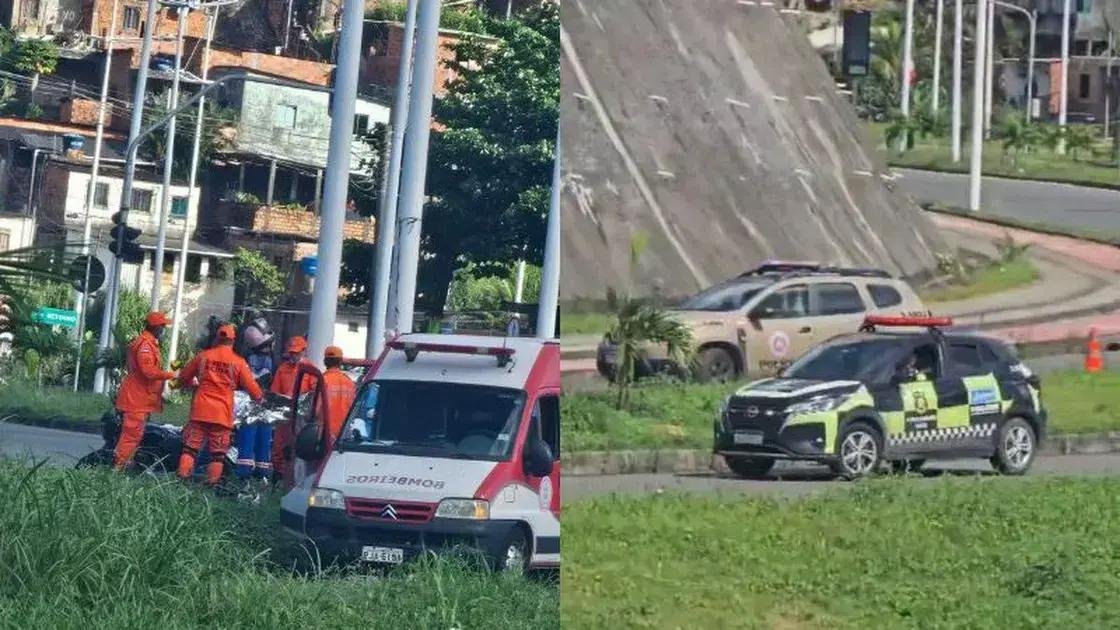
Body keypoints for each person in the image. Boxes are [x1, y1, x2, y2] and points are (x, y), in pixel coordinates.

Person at [175, 324, 264, 486]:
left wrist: (189, 384)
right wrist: (260, 398)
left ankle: (181, 479)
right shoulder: (238, 362)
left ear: (217, 338)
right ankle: (211, 484)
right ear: (233, 341)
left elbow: (182, 378)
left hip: (200, 411)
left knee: (190, 448)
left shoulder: (202, 356)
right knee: (217, 455)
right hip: (222, 414)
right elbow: (253, 390)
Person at [113, 312, 178, 471]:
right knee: (131, 436)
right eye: (163, 326)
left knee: (135, 435)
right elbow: (148, 371)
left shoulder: (150, 343)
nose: (164, 329)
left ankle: (125, 465)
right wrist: (171, 375)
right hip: (136, 399)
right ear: (156, 327)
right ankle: (118, 468)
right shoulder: (145, 345)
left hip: (140, 398)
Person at [270, 335, 315, 486]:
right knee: (279, 446)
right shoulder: (283, 369)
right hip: (284, 414)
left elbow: (314, 392)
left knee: (298, 447)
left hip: (301, 416)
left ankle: (297, 480)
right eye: (292, 353)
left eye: (296, 352)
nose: (293, 355)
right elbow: (275, 392)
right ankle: (279, 477)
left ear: (303, 351)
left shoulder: (310, 369)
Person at [235, 339, 276, 482]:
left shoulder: (246, 358)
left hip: (250, 402)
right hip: (263, 403)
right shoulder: (272, 360)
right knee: (261, 439)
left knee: (249, 437)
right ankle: (260, 473)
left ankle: (246, 473)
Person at [320, 346, 357, 454]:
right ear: (340, 362)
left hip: (324, 435)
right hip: (344, 436)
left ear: (325, 361)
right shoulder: (350, 383)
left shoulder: (322, 381)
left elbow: (316, 409)